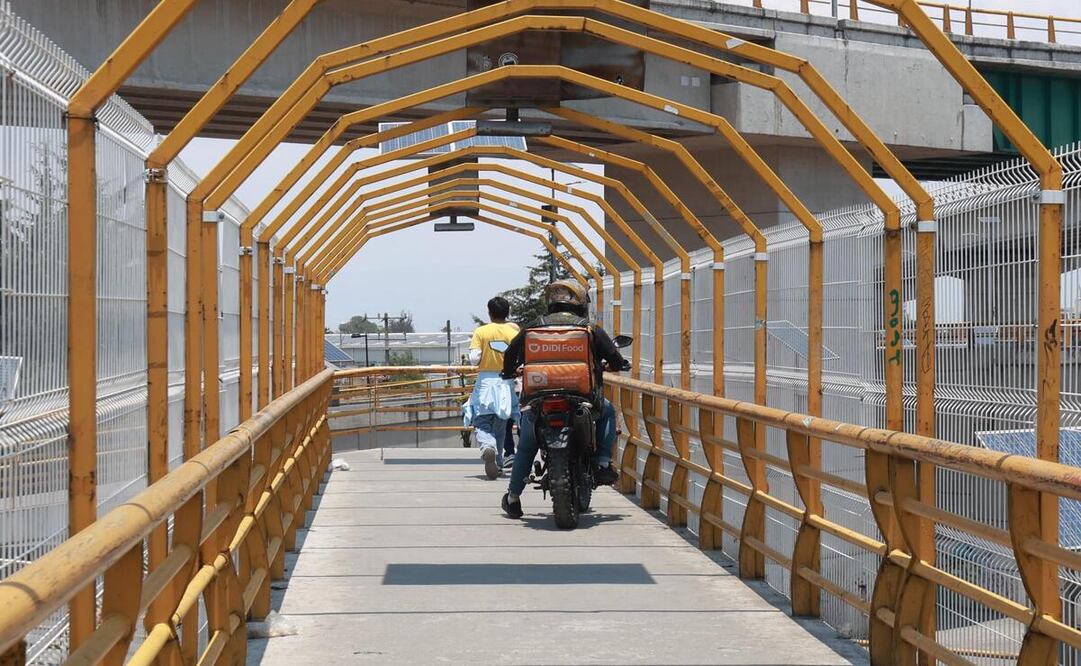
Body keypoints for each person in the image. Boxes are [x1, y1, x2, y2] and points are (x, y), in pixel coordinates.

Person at [499, 279, 628, 518]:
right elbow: (614, 356)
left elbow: (510, 355)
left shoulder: (532, 327)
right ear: (580, 303)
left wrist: (509, 372)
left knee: (527, 445)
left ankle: (514, 497)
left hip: (539, 399)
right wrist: (618, 364)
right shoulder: (589, 329)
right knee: (608, 412)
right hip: (581, 397)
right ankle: (602, 463)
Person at [467, 296, 519, 479]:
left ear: (489, 313)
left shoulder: (481, 332)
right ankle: (497, 463)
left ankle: (488, 446)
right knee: (500, 424)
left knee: (481, 421)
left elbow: (474, 358)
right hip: (507, 383)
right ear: (508, 312)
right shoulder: (514, 333)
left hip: (486, 382)